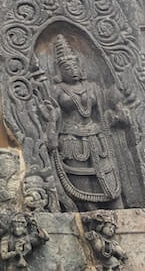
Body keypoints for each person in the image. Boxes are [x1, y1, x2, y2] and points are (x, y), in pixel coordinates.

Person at [44, 35, 123, 210]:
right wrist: (52, 124)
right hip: (71, 141)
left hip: (97, 138)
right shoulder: (56, 90)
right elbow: (51, 113)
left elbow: (103, 110)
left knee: (108, 179)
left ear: (79, 66)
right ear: (60, 71)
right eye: (66, 67)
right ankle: (89, 214)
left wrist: (116, 111)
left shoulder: (93, 86)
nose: (71, 70)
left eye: (73, 66)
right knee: (81, 183)